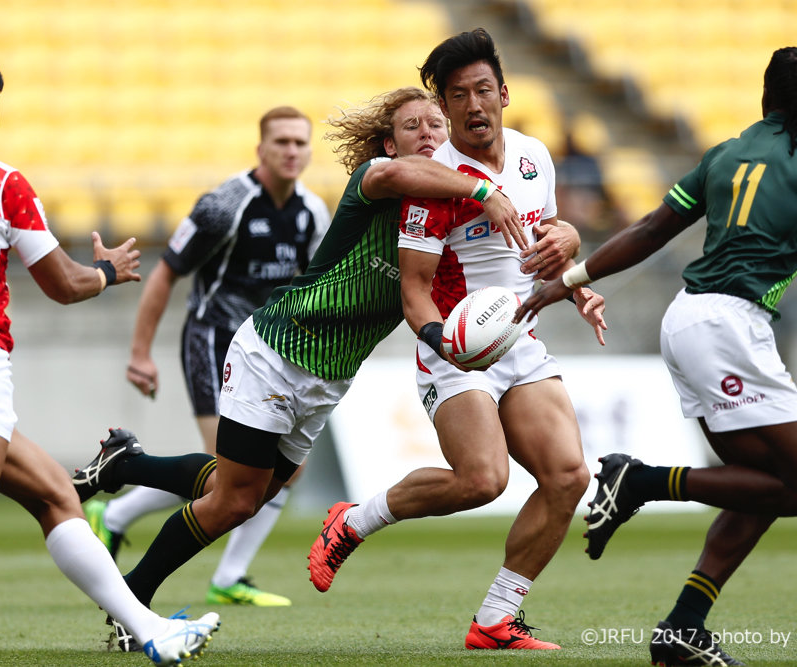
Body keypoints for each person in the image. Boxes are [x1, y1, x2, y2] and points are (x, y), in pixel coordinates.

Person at [70, 86, 583, 621]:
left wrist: (570, 259)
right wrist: (484, 189)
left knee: (242, 491)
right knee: (234, 502)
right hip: (278, 350)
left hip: (328, 377)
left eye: (436, 126)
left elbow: (517, 251)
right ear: (388, 143)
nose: (428, 136)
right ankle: (132, 601)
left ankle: (127, 462)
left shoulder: (446, 212)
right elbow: (398, 176)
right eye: (412, 128)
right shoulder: (376, 182)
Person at [516, 46, 797, 666]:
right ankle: (640, 479)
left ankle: (682, 629)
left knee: (763, 488)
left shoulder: (726, 154)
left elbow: (650, 229)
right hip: (731, 325)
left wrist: (566, 280)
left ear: (766, 96)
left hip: (689, 319)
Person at [305, 28, 607, 651]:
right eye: (458, 95)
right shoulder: (433, 180)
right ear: (443, 107)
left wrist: (575, 274)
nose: (473, 105)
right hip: (456, 346)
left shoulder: (533, 157)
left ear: (503, 92)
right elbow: (413, 287)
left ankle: (496, 619)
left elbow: (542, 238)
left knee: (569, 476)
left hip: (519, 341)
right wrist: (443, 343)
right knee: (482, 480)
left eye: (482, 90)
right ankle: (354, 521)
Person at [0, 46, 218, 665]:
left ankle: (148, 630)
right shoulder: (0, 182)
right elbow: (63, 283)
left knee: (56, 494)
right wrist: (107, 270)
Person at [83, 105, 330, 608]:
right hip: (213, 339)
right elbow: (166, 272)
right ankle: (207, 564)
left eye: (300, 143)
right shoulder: (225, 205)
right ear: (260, 147)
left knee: (277, 473)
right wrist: (140, 353)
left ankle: (121, 519)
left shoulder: (312, 213)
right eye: (281, 141)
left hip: (274, 353)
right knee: (232, 471)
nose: (291, 151)